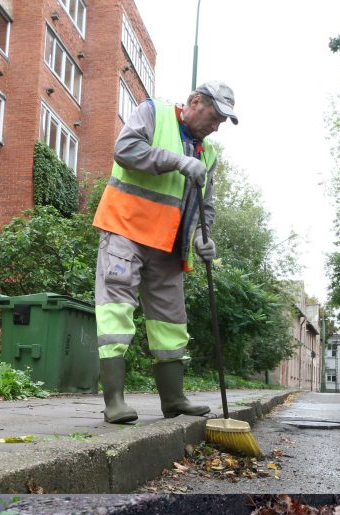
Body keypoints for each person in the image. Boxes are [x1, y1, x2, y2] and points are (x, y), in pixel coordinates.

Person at [92, 80, 238, 423]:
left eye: (221, 122)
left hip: (169, 246)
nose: (215, 127)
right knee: (117, 310)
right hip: (125, 231)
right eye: (214, 116)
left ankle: (173, 400)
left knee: (171, 322)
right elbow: (125, 150)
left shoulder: (209, 153)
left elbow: (206, 205)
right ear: (194, 101)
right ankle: (114, 402)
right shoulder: (153, 113)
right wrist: (177, 161)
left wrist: (204, 237)